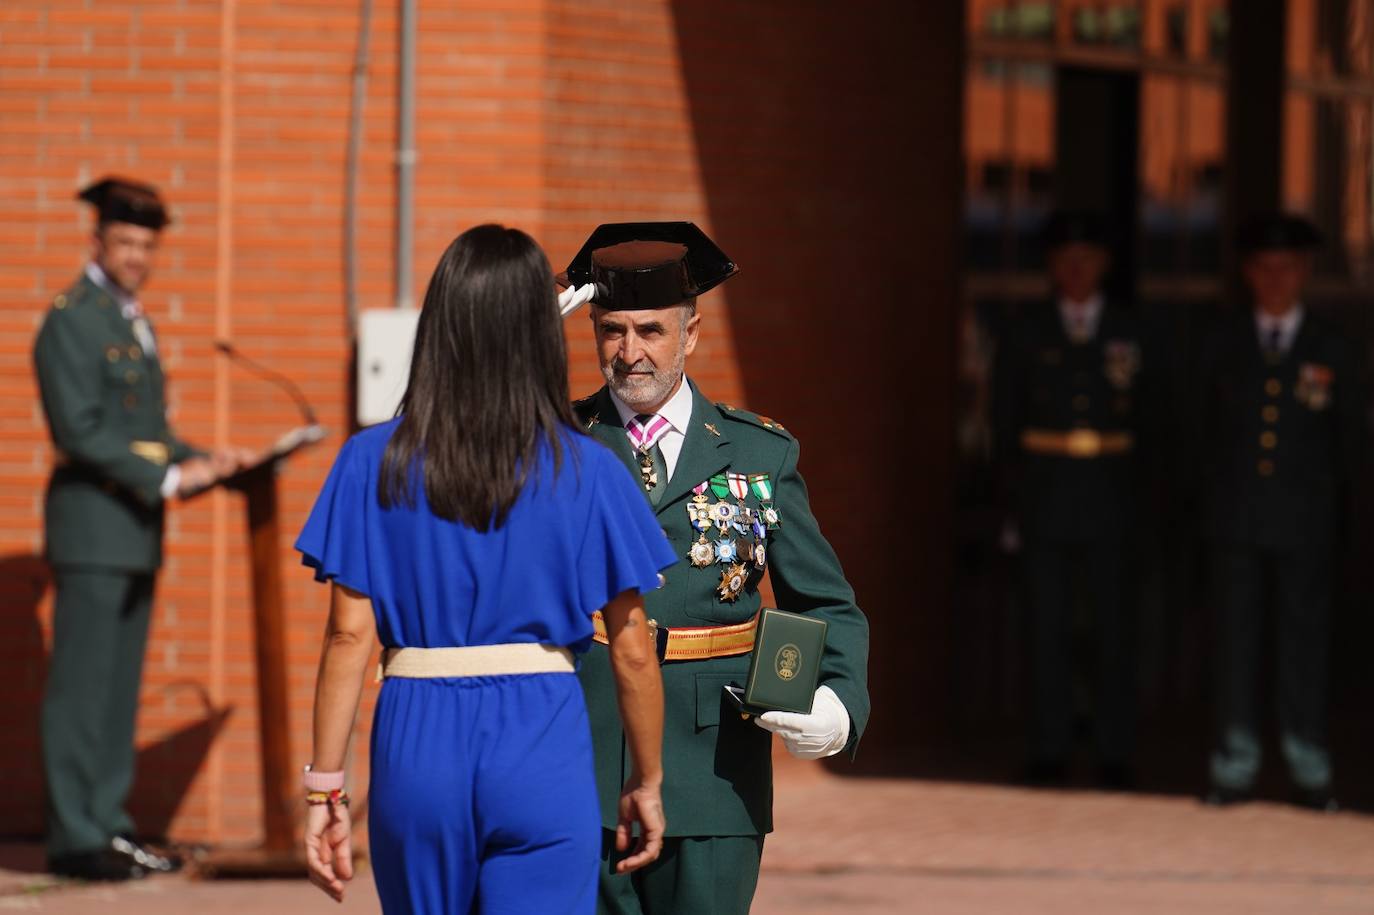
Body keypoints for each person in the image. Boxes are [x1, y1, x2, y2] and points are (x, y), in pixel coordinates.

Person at [296, 225, 675, 913]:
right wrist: (647, 778)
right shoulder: (590, 469)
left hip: (417, 735)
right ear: (539, 329)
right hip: (540, 736)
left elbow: (349, 638)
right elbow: (631, 650)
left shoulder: (368, 460)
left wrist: (325, 788)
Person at [559, 222, 871, 915]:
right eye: (611, 330)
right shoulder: (555, 445)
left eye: (651, 330)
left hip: (711, 764)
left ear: (691, 333)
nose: (630, 352)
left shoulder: (760, 453)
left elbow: (827, 602)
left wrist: (839, 700)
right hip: (582, 750)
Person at [34, 177, 243, 881]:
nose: (135, 256)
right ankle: (74, 833)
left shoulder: (127, 316)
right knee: (82, 688)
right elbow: (81, 431)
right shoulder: (74, 318)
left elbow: (146, 431)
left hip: (132, 531)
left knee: (118, 687)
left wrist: (205, 459)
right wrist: (168, 476)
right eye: (124, 242)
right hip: (93, 528)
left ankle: (109, 825)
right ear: (97, 241)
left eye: (145, 246)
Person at [1198, 213, 1362, 811]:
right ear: (1248, 274)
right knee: (1235, 648)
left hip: (1306, 523)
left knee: (1304, 648)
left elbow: (1351, 445)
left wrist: (1347, 524)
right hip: (1236, 520)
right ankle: (1234, 766)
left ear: (1305, 274)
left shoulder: (1332, 348)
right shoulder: (1221, 343)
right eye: (1264, 268)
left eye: (1287, 268)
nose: (1275, 279)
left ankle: (1308, 765)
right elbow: (1200, 437)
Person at [992, 210, 1145, 790]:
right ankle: (1048, 748)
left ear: (1104, 266)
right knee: (1046, 628)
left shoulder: (1135, 330)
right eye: (1066, 260)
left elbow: (1161, 422)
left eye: (1088, 259)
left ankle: (1115, 751)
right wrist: (1010, 503)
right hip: (1045, 499)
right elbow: (1003, 422)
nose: (1077, 270)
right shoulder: (1026, 331)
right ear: (1053, 267)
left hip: (1113, 498)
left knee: (1113, 629)